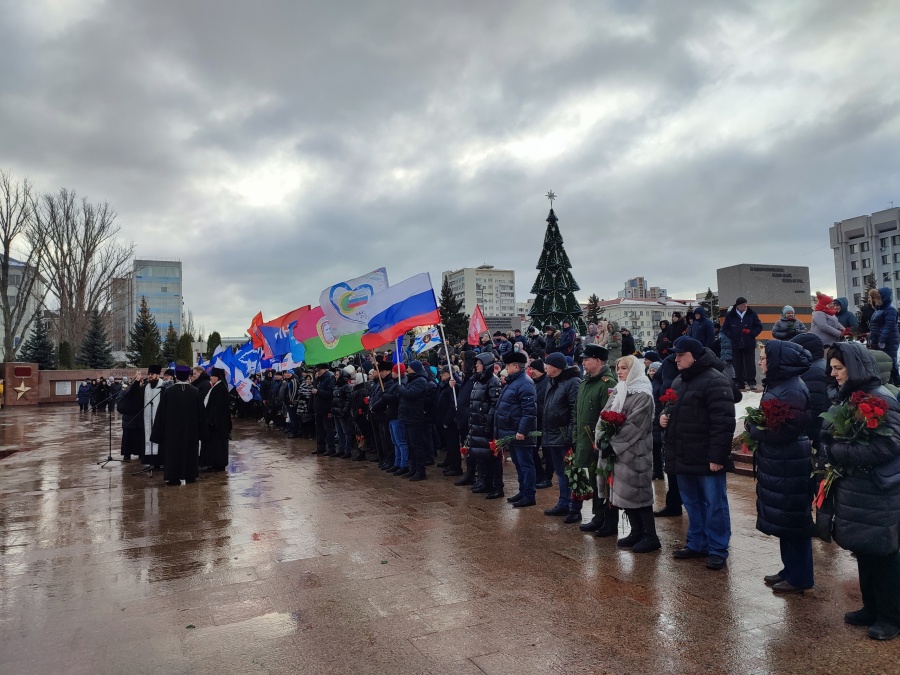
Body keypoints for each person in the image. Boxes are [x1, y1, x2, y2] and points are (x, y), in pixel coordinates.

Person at [821, 342, 900, 640]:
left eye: (838, 368)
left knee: (884, 555)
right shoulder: (853, 399)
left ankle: (892, 617)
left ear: (854, 368)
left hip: (879, 491)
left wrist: (838, 449)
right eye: (832, 368)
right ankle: (871, 608)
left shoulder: (881, 399)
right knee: (865, 551)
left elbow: (888, 444)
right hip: (859, 489)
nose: (833, 374)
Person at [661, 336, 735, 570]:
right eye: (675, 354)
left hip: (705, 456)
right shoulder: (679, 382)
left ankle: (717, 549)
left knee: (714, 504)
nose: (677, 359)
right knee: (692, 503)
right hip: (684, 454)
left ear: (694, 356)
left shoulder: (715, 380)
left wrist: (717, 457)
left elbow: (723, 422)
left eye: (681, 355)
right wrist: (664, 418)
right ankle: (697, 542)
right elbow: (673, 410)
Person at [746, 341, 813, 593]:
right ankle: (790, 569)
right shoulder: (781, 385)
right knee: (786, 521)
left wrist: (754, 429)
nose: (760, 362)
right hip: (781, 461)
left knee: (794, 522)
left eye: (764, 358)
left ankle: (800, 577)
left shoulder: (792, 389)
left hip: (790, 460)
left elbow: (785, 431)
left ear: (778, 361)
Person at [600, 355, 660, 553]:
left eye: (624, 368)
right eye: (618, 368)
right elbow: (605, 413)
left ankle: (650, 536)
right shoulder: (620, 390)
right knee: (625, 495)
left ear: (634, 370)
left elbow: (635, 425)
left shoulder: (643, 394)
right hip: (620, 453)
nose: (619, 372)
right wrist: (602, 436)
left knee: (639, 495)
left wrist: (613, 443)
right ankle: (636, 532)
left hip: (636, 453)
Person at [573, 344, 618, 533]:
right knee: (593, 480)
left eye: (587, 359)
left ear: (598, 361)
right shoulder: (585, 382)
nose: (583, 362)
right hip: (585, 440)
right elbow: (579, 413)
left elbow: (609, 416)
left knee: (604, 481)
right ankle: (598, 516)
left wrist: (602, 441)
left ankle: (609, 521)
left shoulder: (607, 383)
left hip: (599, 442)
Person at [150, 365, 206, 486]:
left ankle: (173, 476)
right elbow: (201, 413)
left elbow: (161, 413)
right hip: (190, 430)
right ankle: (190, 475)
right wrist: (202, 431)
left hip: (172, 431)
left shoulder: (169, 392)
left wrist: (158, 432)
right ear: (188, 376)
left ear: (176, 376)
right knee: (189, 451)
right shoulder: (194, 391)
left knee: (173, 453)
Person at [541, 352, 582, 518]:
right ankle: (563, 502)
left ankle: (575, 508)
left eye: (547, 364)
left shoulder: (573, 382)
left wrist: (570, 435)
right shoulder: (552, 381)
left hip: (565, 435)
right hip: (553, 435)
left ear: (556, 368)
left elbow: (575, 411)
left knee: (571, 473)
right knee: (561, 472)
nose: (545, 367)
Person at [495, 351, 538, 507]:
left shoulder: (525, 383)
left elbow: (529, 411)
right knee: (519, 464)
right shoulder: (514, 381)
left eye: (508, 365)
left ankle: (529, 494)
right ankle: (523, 491)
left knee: (526, 464)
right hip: (511, 431)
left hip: (520, 433)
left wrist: (522, 431)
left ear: (515, 366)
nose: (505, 368)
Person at [466, 352, 503, 498]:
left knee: (492, 458)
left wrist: (488, 423)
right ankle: (484, 481)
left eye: (479, 363)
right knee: (480, 455)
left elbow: (494, 404)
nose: (476, 366)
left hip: (485, 425)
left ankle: (496, 485)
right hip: (477, 424)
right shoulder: (477, 380)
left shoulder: (493, 381)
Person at [397, 360, 430, 481]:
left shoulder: (420, 381)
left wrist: (400, 388)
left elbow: (410, 394)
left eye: (409, 368)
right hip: (407, 415)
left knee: (417, 445)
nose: (407, 369)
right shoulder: (412, 379)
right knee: (410, 444)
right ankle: (413, 468)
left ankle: (420, 470)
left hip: (414, 416)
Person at [721, 296, 762, 391]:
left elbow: (759, 326)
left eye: (745, 305)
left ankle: (751, 382)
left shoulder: (752, 314)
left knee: (750, 363)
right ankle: (740, 383)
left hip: (749, 342)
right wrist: (731, 335)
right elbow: (725, 328)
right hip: (736, 343)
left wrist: (751, 333)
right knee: (737, 364)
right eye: (743, 305)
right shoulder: (730, 315)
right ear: (738, 306)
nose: (745, 307)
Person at [529, 359, 554, 489]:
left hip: (545, 423)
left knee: (547, 452)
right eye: (530, 369)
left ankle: (547, 477)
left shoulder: (547, 382)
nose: (531, 372)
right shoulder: (534, 382)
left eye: (534, 369)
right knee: (532, 449)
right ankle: (539, 475)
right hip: (536, 423)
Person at [201, 367, 232, 472]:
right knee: (215, 445)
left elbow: (217, 407)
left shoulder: (220, 388)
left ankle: (218, 464)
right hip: (217, 423)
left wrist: (211, 420)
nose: (211, 377)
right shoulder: (217, 387)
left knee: (219, 445)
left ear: (217, 377)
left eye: (213, 376)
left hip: (218, 423)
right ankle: (214, 463)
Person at [867, 287, 900, 385]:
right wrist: (871, 338)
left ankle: (896, 382)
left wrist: (882, 340)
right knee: (883, 362)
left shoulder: (890, 310)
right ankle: (887, 381)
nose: (871, 300)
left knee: (891, 361)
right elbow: (875, 326)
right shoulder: (878, 310)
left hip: (889, 341)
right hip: (879, 341)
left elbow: (889, 326)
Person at [435, 365, 462, 476]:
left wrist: (446, 420)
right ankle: (450, 462)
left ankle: (455, 466)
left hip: (450, 421)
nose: (440, 375)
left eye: (443, 373)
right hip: (443, 418)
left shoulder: (453, 385)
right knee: (448, 444)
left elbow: (452, 405)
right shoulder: (444, 384)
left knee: (453, 445)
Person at [312, 363, 337, 456]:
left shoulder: (329, 378)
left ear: (325, 370)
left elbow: (330, 393)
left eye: (319, 370)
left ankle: (331, 447)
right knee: (319, 429)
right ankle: (321, 447)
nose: (318, 372)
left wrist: (318, 391)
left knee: (328, 428)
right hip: (319, 407)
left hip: (326, 407)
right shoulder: (320, 379)